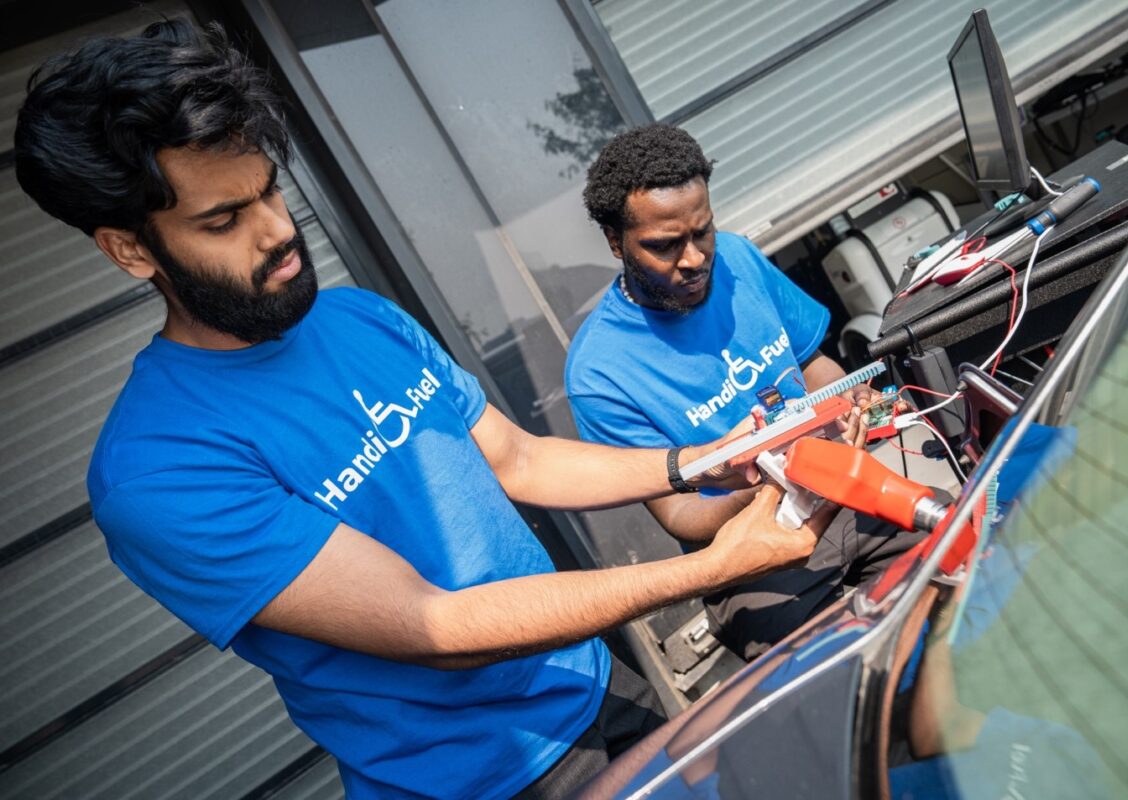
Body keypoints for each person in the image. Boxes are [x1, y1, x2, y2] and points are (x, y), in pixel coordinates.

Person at [13, 22, 840, 800]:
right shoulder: (158, 468)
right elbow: (435, 626)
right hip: (479, 777)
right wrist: (711, 568)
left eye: (269, 193)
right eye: (225, 220)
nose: (276, 233)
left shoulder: (357, 317)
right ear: (128, 249)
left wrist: (697, 462)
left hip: (584, 681)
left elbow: (520, 460)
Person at [565, 124, 928, 661]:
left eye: (703, 232)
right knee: (854, 675)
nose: (694, 259)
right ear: (616, 242)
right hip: (751, 559)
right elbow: (682, 520)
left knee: (963, 558)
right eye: (664, 246)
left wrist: (841, 411)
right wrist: (761, 467)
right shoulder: (598, 374)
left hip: (845, 493)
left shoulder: (736, 258)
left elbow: (815, 364)